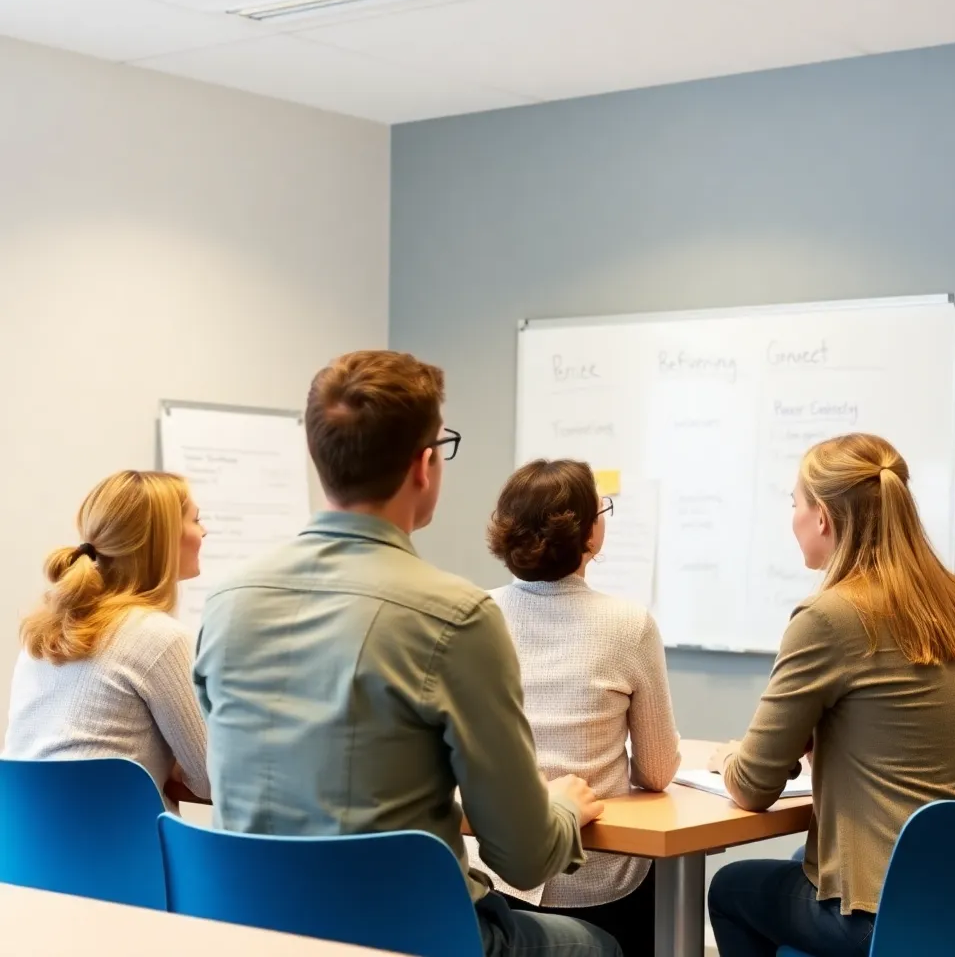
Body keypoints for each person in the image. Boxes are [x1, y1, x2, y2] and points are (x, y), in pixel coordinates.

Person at [193, 350, 623, 957]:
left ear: (321, 460)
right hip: (403, 932)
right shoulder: (455, 615)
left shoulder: (227, 602)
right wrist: (562, 810)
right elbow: (523, 856)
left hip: (247, 926)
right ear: (425, 465)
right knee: (597, 946)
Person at [707, 433, 955, 957]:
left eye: (795, 504)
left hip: (887, 915)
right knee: (798, 860)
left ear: (822, 518)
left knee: (731, 889)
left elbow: (752, 785)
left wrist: (728, 758)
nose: (793, 519)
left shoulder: (829, 617)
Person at [467, 458, 680, 957]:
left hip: (496, 868)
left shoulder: (475, 616)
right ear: (589, 535)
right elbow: (656, 770)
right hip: (599, 875)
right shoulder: (628, 625)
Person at [4, 471, 210, 808]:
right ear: (165, 537)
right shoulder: (160, 638)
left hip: (23, 857)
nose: (204, 531)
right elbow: (209, 780)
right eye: (196, 519)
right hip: (126, 856)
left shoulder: (42, 634)